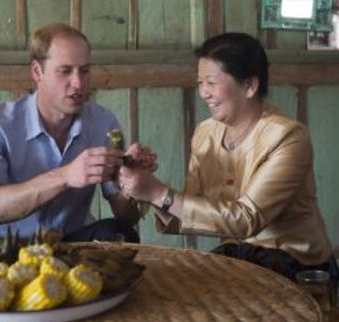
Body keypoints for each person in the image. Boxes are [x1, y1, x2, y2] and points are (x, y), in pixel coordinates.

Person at [118, 32, 338, 284]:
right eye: (200, 83)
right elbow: (192, 212)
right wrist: (146, 186)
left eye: (211, 82)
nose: (203, 93)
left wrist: (158, 193)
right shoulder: (206, 133)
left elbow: (246, 220)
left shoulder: (287, 137)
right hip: (240, 257)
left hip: (296, 263)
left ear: (250, 86)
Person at [0, 22, 155, 243]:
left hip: (73, 241)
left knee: (120, 232)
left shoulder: (103, 122)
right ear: (38, 72)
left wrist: (133, 183)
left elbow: (126, 217)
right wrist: (66, 176)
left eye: (84, 71)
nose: (78, 83)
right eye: (65, 71)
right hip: (10, 245)